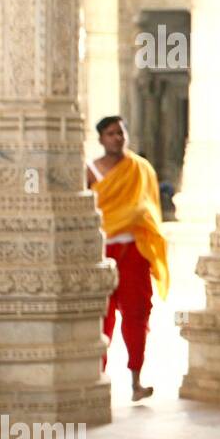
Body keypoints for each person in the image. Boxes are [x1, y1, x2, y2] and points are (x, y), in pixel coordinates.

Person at [86, 116, 170, 401]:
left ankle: (136, 382)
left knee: (137, 315)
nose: (117, 138)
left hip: (133, 251)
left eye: (121, 132)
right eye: (111, 134)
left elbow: (149, 208)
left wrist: (137, 217)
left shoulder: (140, 169)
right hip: (100, 251)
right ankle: (96, 380)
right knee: (101, 317)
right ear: (101, 139)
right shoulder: (90, 172)